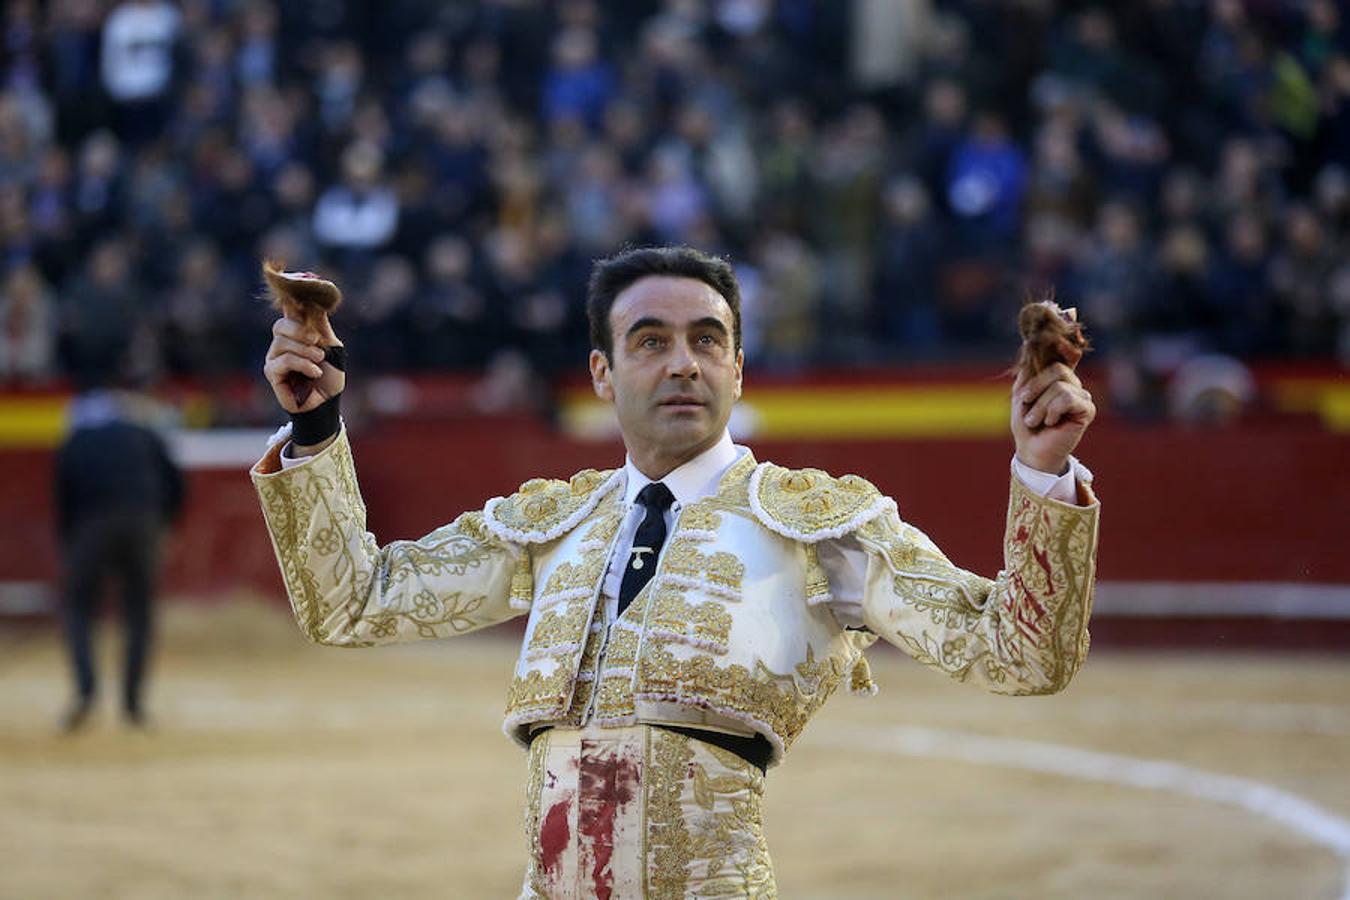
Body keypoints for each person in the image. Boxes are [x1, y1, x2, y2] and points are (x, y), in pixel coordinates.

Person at [252, 245, 1100, 897]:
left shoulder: (819, 525)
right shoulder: (554, 524)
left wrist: (1041, 477)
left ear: (738, 366)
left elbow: (1020, 657)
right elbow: (353, 604)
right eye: (649, 342)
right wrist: (319, 429)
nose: (682, 363)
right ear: (602, 372)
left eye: (707, 340)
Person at [55, 384, 184, 731]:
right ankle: (133, 704)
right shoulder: (144, 433)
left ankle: (85, 691)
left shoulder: (77, 438)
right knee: (139, 614)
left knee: (79, 609)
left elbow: (64, 493)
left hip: (91, 526)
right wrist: (166, 526)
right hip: (143, 524)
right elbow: (176, 483)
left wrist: (70, 542)